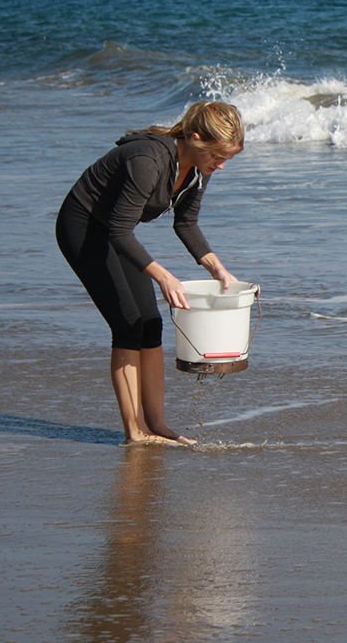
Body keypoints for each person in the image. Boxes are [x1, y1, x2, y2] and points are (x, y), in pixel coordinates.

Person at [56, 101, 244, 445]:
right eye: (218, 156)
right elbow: (118, 230)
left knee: (150, 323)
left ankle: (157, 426)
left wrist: (217, 267)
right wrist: (163, 275)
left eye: (227, 158)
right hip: (83, 227)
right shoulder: (149, 160)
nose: (221, 165)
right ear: (196, 138)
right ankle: (135, 432)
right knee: (127, 324)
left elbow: (186, 223)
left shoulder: (198, 171)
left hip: (116, 231)